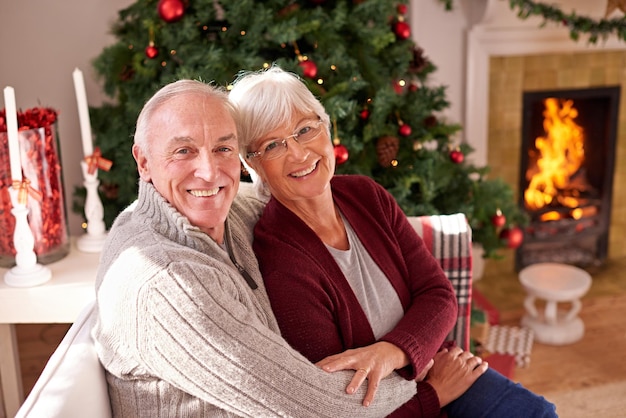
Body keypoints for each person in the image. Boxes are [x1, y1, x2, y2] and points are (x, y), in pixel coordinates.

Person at [229, 66, 558, 417]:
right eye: (272, 145)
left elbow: (439, 294)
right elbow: (335, 405)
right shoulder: (281, 259)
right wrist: (434, 396)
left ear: (326, 128)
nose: (297, 153)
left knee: (539, 413)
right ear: (252, 164)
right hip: (402, 403)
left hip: (435, 364)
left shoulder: (365, 195)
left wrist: (392, 352)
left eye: (305, 129)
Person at [92, 79, 422, 417]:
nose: (209, 173)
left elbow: (284, 196)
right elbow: (312, 409)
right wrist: (423, 379)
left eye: (223, 149)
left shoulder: (226, 214)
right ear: (144, 162)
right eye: (183, 151)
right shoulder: (166, 283)